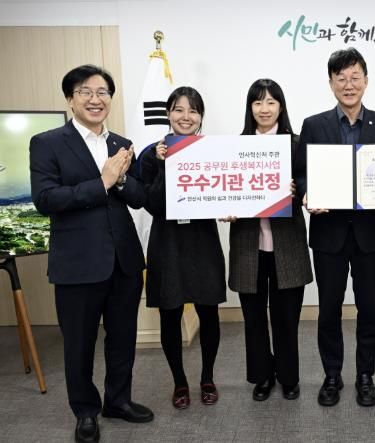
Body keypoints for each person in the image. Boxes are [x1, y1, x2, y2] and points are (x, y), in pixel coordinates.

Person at [29, 64, 153, 443]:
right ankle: (85, 411)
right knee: (79, 345)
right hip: (78, 264)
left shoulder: (122, 143)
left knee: (122, 338)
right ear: (70, 99)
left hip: (124, 261)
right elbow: (46, 199)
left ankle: (118, 400)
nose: (95, 99)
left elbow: (139, 197)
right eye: (85, 92)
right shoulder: (48, 142)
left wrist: (121, 180)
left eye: (102, 92)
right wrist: (103, 181)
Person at [293, 48, 375, 407]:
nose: (348, 85)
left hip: (370, 233)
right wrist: (307, 194)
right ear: (331, 83)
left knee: (369, 309)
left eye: (355, 77)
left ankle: (365, 376)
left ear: (366, 81)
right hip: (329, 233)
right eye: (341, 78)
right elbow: (301, 174)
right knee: (329, 309)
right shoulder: (313, 125)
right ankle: (332, 375)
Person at [226, 79, 313, 401]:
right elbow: (224, 186)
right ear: (250, 108)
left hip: (286, 244)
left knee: (286, 318)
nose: (264, 109)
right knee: (253, 319)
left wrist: (298, 190)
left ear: (281, 107)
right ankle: (262, 376)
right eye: (258, 102)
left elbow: (311, 184)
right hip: (248, 244)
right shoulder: (235, 146)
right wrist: (225, 204)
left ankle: (288, 376)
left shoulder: (297, 144)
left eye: (271, 102)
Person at [140, 87, 226, 410]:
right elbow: (150, 203)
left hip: (203, 241)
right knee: (170, 314)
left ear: (201, 116)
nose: (186, 117)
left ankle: (207, 377)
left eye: (193, 110)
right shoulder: (151, 154)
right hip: (168, 243)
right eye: (178, 109)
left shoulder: (213, 151)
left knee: (209, 312)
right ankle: (179, 381)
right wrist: (164, 164)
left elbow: (226, 192)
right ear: (168, 114)